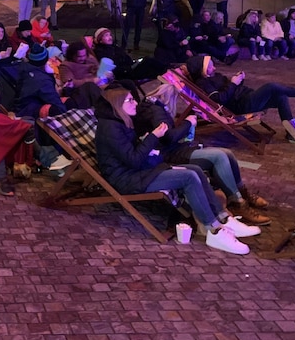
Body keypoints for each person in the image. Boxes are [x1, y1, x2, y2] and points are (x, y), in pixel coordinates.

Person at [94, 85, 260, 254]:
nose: (135, 103)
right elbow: (133, 160)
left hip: (139, 171)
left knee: (195, 170)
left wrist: (151, 148)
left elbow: (132, 155)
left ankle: (224, 220)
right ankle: (214, 231)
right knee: (188, 177)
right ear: (117, 104)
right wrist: (153, 137)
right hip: (127, 179)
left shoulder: (119, 122)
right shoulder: (110, 129)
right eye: (129, 100)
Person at [123, 80, 271, 225]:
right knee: (220, 156)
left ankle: (240, 195)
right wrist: (189, 123)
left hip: (171, 150)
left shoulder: (152, 108)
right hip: (169, 153)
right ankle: (237, 202)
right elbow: (169, 137)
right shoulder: (156, 111)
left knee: (227, 154)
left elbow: (166, 135)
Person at [185, 55, 295, 123]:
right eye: (210, 66)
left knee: (281, 95)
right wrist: (233, 83)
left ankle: (291, 132)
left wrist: (238, 80)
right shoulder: (204, 83)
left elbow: (230, 88)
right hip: (242, 105)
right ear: (202, 70)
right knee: (271, 86)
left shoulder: (215, 76)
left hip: (247, 96)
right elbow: (219, 99)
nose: (214, 68)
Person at [92, 27, 167, 82]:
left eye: (110, 35)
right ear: (100, 40)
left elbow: (126, 58)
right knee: (148, 61)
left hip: (130, 68)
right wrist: (129, 68)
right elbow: (113, 67)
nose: (110, 37)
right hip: (124, 74)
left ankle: (167, 72)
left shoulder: (114, 47)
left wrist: (133, 64)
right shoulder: (101, 52)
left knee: (150, 66)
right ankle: (167, 70)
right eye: (106, 36)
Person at [59, 41, 107, 110]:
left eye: (84, 55)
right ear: (72, 55)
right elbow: (70, 83)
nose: (82, 58)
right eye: (79, 56)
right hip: (82, 91)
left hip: (100, 84)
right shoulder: (66, 66)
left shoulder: (90, 59)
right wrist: (92, 80)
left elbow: (99, 70)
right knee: (90, 86)